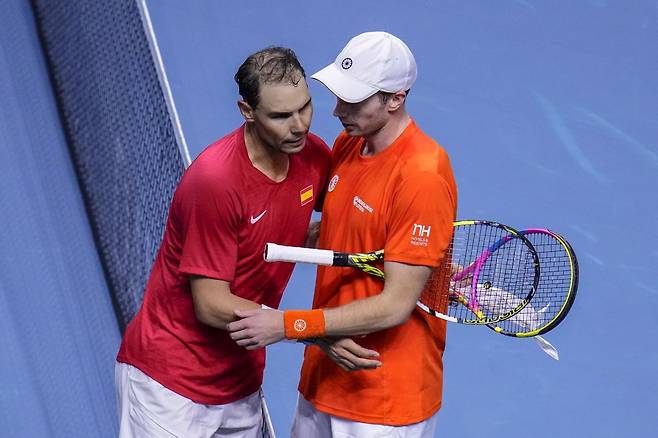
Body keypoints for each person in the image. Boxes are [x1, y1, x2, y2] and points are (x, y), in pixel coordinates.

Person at [227, 32, 458, 437]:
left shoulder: (422, 176)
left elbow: (394, 306)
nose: (337, 110)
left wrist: (289, 325)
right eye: (337, 96)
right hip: (324, 379)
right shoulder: (349, 146)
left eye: (354, 101)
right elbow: (334, 228)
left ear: (395, 99)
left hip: (383, 402)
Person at [115, 46, 331, 437]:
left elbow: (344, 217)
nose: (300, 125)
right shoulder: (216, 182)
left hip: (239, 384)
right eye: (281, 116)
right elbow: (211, 306)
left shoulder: (312, 156)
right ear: (247, 111)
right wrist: (308, 327)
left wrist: (420, 256)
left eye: (305, 107)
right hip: (170, 386)